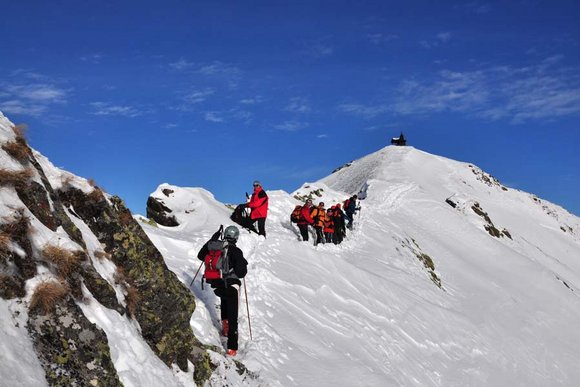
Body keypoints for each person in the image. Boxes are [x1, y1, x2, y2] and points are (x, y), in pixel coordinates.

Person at [197, 225, 248, 357]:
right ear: (236, 237)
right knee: (233, 314)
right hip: (231, 286)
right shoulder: (236, 251)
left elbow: (200, 256)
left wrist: (211, 241)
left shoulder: (215, 247)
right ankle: (232, 347)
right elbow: (241, 273)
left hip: (216, 284)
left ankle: (225, 329)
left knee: (224, 299)